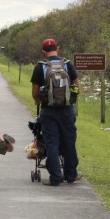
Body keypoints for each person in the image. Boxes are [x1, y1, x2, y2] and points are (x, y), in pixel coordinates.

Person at [30, 38, 80, 185]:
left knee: (51, 142)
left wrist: (41, 102)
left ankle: (56, 177)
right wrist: (68, 101)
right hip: (67, 110)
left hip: (48, 111)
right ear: (57, 48)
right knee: (69, 141)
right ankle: (71, 175)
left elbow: (34, 93)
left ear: (43, 51)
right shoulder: (67, 64)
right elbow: (77, 88)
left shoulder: (40, 67)